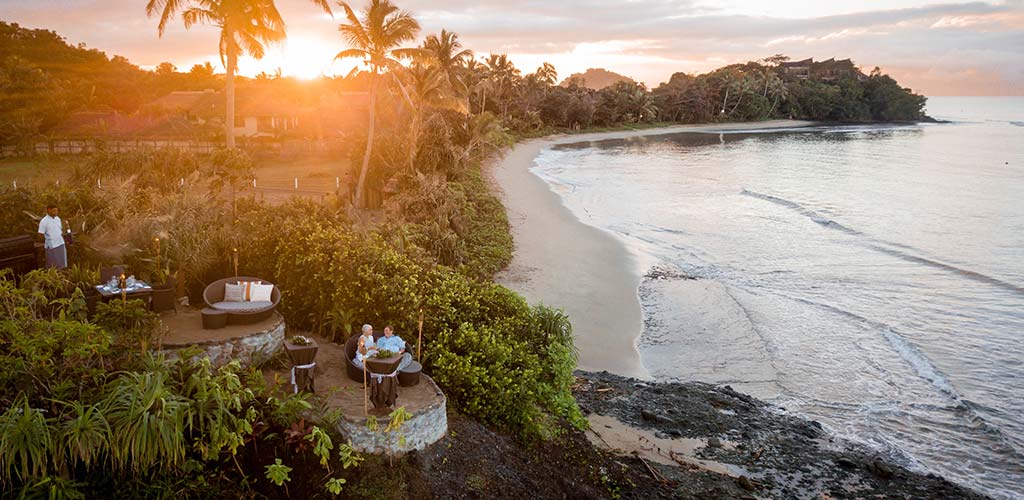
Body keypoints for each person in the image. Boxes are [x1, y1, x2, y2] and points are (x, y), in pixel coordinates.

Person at [37, 204, 67, 269]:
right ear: (48, 210)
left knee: (62, 264)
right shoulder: (44, 221)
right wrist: (46, 242)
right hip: (51, 245)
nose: (56, 212)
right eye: (54, 211)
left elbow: (60, 230)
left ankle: (62, 276)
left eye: (56, 211)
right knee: (52, 265)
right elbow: (40, 234)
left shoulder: (58, 219)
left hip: (60, 243)